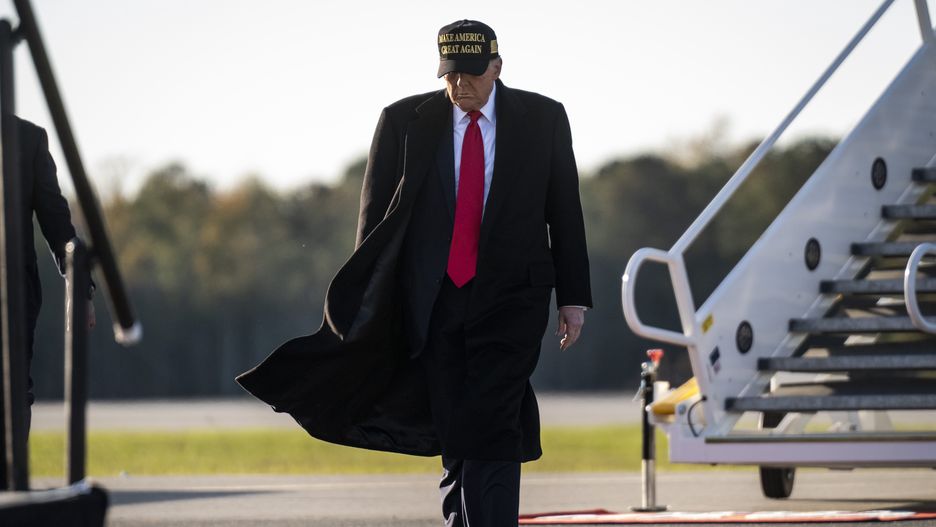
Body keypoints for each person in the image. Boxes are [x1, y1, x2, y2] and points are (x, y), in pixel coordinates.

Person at [238, 19, 591, 526]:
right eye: (450, 74)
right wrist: (368, 303)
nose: (459, 86)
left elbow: (565, 210)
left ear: (497, 66)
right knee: (453, 423)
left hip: (513, 300)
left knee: (493, 418)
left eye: (470, 74)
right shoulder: (404, 120)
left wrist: (573, 298)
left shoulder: (543, 118)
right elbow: (374, 220)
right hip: (434, 300)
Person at [16, 116, 96, 431]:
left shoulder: (26, 139)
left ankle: (11, 476)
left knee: (12, 389)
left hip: (12, 292)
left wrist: (79, 290)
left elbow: (57, 221)